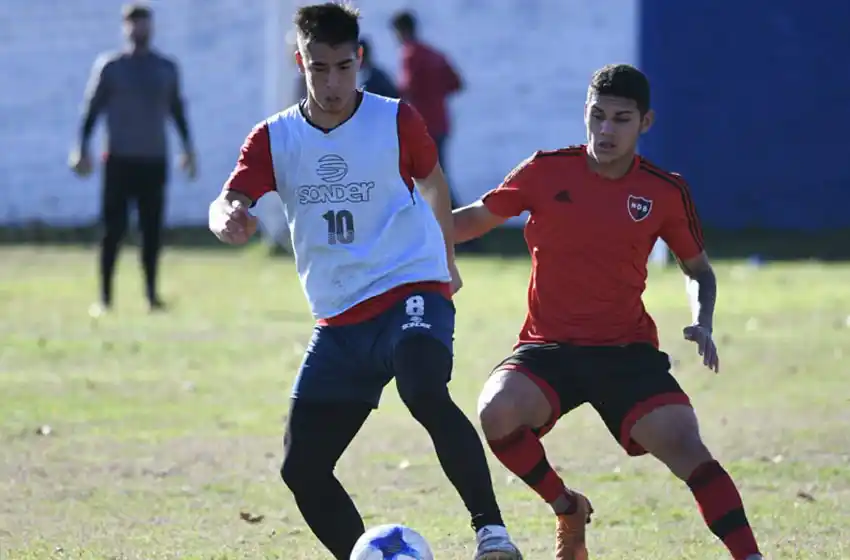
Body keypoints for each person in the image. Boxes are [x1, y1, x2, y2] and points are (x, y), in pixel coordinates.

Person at [207, 4, 521, 560]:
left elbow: (434, 184)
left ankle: (492, 534)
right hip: (340, 317)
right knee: (302, 467)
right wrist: (226, 217)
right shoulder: (274, 138)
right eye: (318, 68)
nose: (332, 83)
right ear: (299, 62)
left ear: (359, 59)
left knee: (423, 389)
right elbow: (228, 198)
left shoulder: (396, 120)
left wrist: (446, 261)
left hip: (411, 287)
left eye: (343, 67)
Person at [453, 64, 764, 560]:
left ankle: (751, 556)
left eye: (621, 119)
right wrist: (408, 231)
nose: (605, 130)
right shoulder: (545, 170)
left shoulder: (664, 191)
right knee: (496, 411)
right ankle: (567, 507)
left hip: (625, 352)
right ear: (585, 113)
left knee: (688, 447)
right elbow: (474, 219)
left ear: (646, 122)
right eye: (597, 116)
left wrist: (702, 319)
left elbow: (698, 270)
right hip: (549, 348)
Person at [70, 3, 196, 316]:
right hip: (119, 158)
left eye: (143, 23)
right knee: (113, 229)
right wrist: (81, 147)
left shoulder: (166, 68)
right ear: (124, 28)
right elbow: (91, 109)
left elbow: (177, 110)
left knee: (151, 230)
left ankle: (152, 296)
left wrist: (188, 148)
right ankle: (105, 298)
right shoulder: (110, 67)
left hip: (153, 159)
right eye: (133, 23)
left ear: (151, 27)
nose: (139, 29)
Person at [390, 10, 463, 208]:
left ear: (401, 31)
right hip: (442, 122)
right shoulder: (435, 54)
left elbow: (407, 89)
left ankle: (453, 219)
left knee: (427, 176)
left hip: (423, 125)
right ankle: (455, 218)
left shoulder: (409, 55)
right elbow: (457, 84)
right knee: (439, 174)